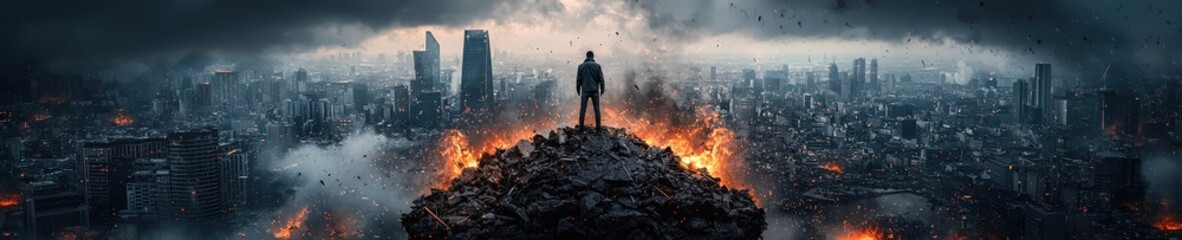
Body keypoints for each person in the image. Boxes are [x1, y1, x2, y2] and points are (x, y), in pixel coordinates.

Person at [577, 51, 605, 129]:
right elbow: (601, 79)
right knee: (596, 109)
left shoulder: (581, 66)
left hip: (585, 90)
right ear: (593, 56)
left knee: (583, 109)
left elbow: (578, 79)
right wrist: (602, 89)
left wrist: (578, 89)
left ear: (586, 56)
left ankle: (581, 127)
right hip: (595, 90)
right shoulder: (597, 66)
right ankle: (598, 128)